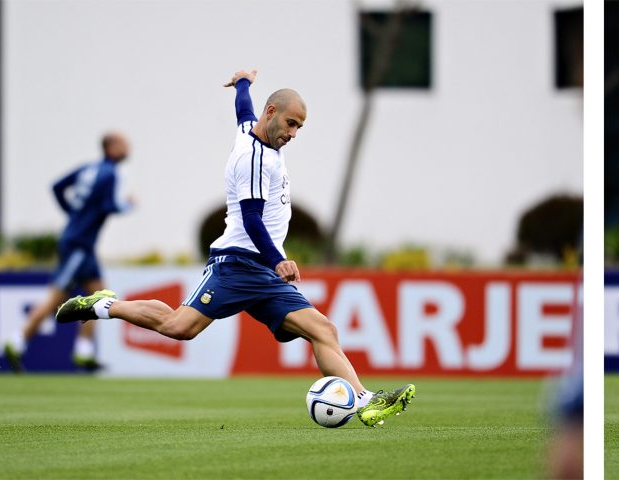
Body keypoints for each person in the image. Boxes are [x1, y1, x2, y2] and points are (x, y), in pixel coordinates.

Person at [55, 69, 415, 427]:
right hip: (237, 266)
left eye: (299, 128)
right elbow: (251, 219)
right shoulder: (254, 159)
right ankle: (103, 305)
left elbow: (244, 111)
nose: (292, 134)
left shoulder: (252, 130)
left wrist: (242, 83)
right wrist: (279, 260)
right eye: (290, 123)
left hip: (262, 272)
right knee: (180, 327)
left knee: (323, 329)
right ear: (271, 113)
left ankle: (366, 401)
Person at [1, 132, 134, 373]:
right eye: (124, 144)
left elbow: (57, 186)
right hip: (79, 244)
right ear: (111, 148)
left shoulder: (89, 168)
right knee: (55, 298)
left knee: (101, 295)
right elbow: (108, 206)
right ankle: (17, 340)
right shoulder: (110, 173)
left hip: (78, 242)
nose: (128, 148)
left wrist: (71, 212)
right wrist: (127, 205)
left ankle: (83, 351)